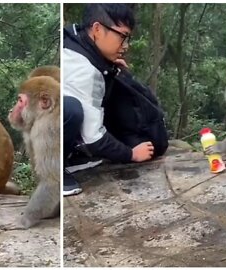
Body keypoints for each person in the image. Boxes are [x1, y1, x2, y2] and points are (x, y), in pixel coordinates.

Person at [63, 4, 168, 196]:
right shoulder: (83, 70)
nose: (125, 46)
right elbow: (93, 137)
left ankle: (70, 153)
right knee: (70, 110)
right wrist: (131, 154)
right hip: (52, 123)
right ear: (97, 29)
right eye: (122, 36)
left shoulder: (74, 39)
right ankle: (58, 170)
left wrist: (107, 68)